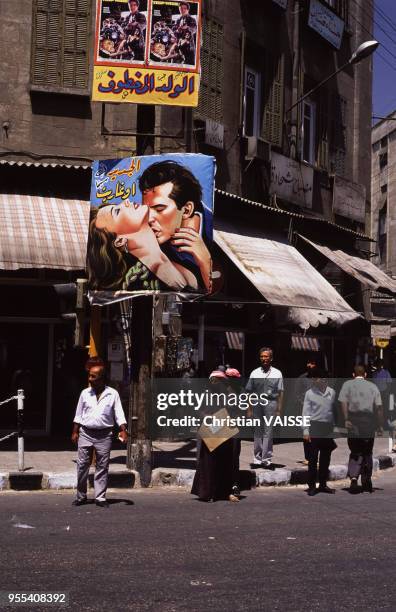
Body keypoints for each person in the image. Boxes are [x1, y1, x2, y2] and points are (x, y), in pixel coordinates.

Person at [139, 160, 212, 292]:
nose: (148, 219)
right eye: (146, 210)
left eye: (159, 209)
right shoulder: (154, 243)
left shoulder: (214, 229)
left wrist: (206, 262)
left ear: (186, 210)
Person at [71, 364, 128, 508]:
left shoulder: (112, 394)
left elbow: (119, 413)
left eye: (93, 376)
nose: (89, 379)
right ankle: (81, 496)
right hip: (86, 433)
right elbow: (78, 414)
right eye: (89, 375)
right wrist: (75, 431)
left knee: (102, 466)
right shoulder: (85, 393)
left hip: (105, 435)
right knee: (82, 465)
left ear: (101, 378)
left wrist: (123, 429)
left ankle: (100, 497)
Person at [191, 369, 241, 502]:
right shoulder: (205, 394)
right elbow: (198, 410)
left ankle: (222, 492)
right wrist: (208, 417)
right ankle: (207, 493)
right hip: (210, 430)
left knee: (223, 463)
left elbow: (233, 411)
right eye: (214, 380)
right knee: (208, 463)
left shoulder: (228, 394)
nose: (216, 383)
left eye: (219, 381)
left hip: (224, 431)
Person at [339, 364, 383, 494]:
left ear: (353, 375)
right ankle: (366, 479)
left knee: (355, 450)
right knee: (367, 451)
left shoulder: (347, 385)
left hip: (353, 421)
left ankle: (353, 478)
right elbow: (379, 408)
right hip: (368, 422)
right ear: (365, 375)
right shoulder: (373, 386)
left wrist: (346, 419)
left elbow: (343, 402)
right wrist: (380, 425)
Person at [246, 347, 284, 468]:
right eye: (262, 356)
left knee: (268, 431)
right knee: (257, 430)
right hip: (257, 402)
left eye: (266, 356)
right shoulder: (254, 373)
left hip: (271, 403)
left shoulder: (277, 373)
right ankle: (257, 458)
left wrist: (279, 409)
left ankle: (266, 459)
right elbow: (249, 391)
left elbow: (281, 392)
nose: (264, 359)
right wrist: (249, 409)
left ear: (271, 358)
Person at [302, 368, 337, 496]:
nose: (318, 380)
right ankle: (312, 486)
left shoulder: (332, 393)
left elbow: (332, 411)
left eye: (321, 378)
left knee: (325, 458)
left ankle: (323, 484)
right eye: (316, 378)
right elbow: (305, 413)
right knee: (312, 459)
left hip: (327, 428)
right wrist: (305, 430)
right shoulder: (309, 394)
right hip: (314, 427)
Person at [297, 356, 318, 465]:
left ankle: (315, 456)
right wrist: (303, 403)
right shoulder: (302, 378)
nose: (310, 365)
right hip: (305, 410)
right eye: (309, 363)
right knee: (306, 433)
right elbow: (297, 393)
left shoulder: (320, 378)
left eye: (312, 363)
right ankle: (308, 457)